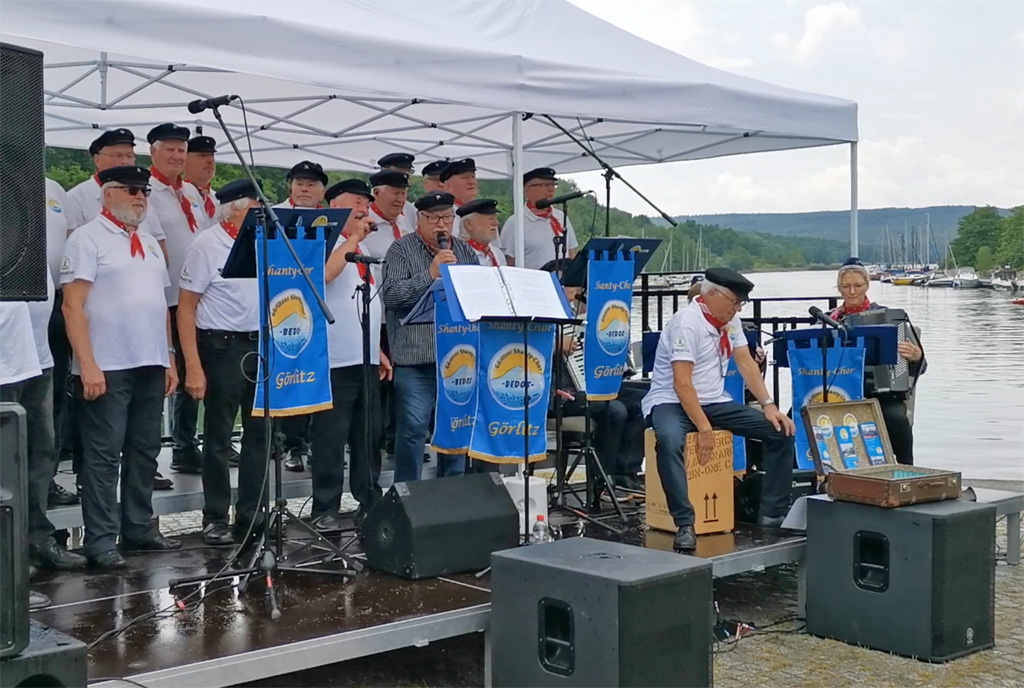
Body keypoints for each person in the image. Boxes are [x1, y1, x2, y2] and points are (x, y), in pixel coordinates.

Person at [61, 165, 182, 569]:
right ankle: (100, 539)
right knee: (103, 455)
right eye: (131, 190)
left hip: (149, 359)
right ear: (108, 194)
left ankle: (138, 527)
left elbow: (160, 305)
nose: (140, 197)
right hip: (108, 363)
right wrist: (87, 363)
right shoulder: (87, 238)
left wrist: (169, 357)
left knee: (145, 450)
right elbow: (72, 305)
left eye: (144, 191)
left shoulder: (147, 241)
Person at [642, 268, 795, 553]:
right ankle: (685, 523)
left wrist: (769, 405)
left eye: (741, 303)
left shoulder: (729, 320)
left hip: (713, 399)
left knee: (780, 431)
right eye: (734, 302)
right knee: (670, 441)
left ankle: (772, 514)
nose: (738, 309)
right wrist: (704, 428)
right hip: (671, 400)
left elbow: (745, 362)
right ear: (711, 294)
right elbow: (682, 384)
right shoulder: (687, 323)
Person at [176, 179, 266, 545]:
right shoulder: (207, 245)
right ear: (235, 210)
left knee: (260, 435)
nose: (261, 215)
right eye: (255, 209)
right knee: (218, 437)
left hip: (260, 344)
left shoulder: (263, 243)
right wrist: (193, 366)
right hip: (221, 346)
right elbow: (186, 308)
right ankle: (215, 516)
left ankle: (252, 512)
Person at [308, 178, 393, 530]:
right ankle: (325, 506)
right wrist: (353, 239)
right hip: (334, 358)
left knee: (367, 434)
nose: (363, 209)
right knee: (331, 436)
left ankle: (368, 498)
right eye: (355, 202)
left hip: (365, 357)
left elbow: (365, 303)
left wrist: (377, 350)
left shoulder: (362, 248)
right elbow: (325, 277)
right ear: (333, 206)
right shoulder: (322, 240)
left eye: (365, 203)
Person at [382, 191, 479, 482]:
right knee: (413, 429)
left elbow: (478, 295)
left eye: (447, 217)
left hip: (457, 356)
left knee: (455, 425)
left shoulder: (465, 252)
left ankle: (452, 489)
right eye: (434, 218)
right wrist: (431, 273)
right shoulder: (400, 250)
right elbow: (391, 296)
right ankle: (407, 492)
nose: (442, 225)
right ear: (419, 220)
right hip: (415, 357)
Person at [0, 292, 87, 571]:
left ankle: (37, 540)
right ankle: (7, 554)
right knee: (5, 466)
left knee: (42, 454)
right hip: (4, 366)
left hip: (38, 360)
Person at [146, 122, 205, 478]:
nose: (177, 155)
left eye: (181, 149)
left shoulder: (191, 192)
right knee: (163, 378)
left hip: (197, 298)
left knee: (193, 373)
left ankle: (186, 444)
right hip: (165, 299)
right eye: (169, 149)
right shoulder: (147, 190)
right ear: (152, 152)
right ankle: (151, 457)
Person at [828, 258, 925, 465]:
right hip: (838, 391)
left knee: (896, 417)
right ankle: (802, 472)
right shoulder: (829, 320)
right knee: (796, 415)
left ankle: (905, 468)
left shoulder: (890, 319)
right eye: (846, 286)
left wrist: (916, 356)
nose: (852, 291)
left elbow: (921, 367)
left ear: (867, 285)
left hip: (880, 392)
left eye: (858, 285)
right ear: (839, 288)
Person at [274, 160, 329, 471]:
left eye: (311, 184)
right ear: (290, 187)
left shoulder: (331, 221)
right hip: (287, 306)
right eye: (299, 183)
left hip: (321, 307)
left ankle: (317, 446)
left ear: (322, 191)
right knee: (292, 376)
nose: (304, 189)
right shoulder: (275, 216)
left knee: (316, 377)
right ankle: (291, 446)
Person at [44, 176, 81, 507]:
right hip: (11, 306)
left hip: (54, 302)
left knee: (54, 394)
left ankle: (46, 478)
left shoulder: (53, 188)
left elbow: (70, 239)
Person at [500, 167, 578, 269]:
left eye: (553, 185)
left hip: (562, 278)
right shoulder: (515, 223)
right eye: (545, 185)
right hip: (531, 278)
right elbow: (508, 262)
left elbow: (571, 252)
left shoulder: (561, 216)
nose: (551, 190)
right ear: (528, 190)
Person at [366, 170, 415, 258]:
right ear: (376, 193)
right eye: (396, 193)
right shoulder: (363, 224)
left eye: (403, 193)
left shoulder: (404, 221)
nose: (401, 199)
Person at [457, 198, 506, 266]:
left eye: (496, 218)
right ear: (469, 224)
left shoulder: (497, 253)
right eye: (490, 218)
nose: (496, 223)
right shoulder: (458, 254)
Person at [440, 158, 478, 239]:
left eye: (473, 177)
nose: (471, 182)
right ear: (448, 185)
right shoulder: (442, 214)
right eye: (464, 178)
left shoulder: (483, 212)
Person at [184, 134, 218, 222]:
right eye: (202, 156)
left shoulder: (218, 199)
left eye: (212, 155)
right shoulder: (178, 195)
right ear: (185, 160)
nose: (210, 160)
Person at [376, 152, 418, 222]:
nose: (406, 176)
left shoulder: (410, 210)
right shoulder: (366, 209)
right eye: (400, 172)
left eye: (410, 171)